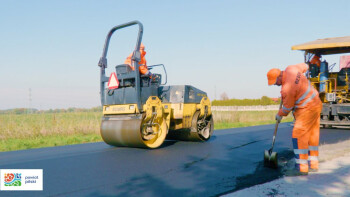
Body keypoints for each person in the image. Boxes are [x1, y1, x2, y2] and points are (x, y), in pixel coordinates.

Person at [267, 63, 322, 176]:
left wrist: (279, 114)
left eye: (275, 83)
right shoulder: (292, 68)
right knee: (313, 135)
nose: (275, 85)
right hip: (316, 103)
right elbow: (305, 66)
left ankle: (302, 168)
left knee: (298, 135)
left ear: (279, 77)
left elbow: (287, 109)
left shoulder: (287, 89)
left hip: (306, 109)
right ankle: (314, 164)